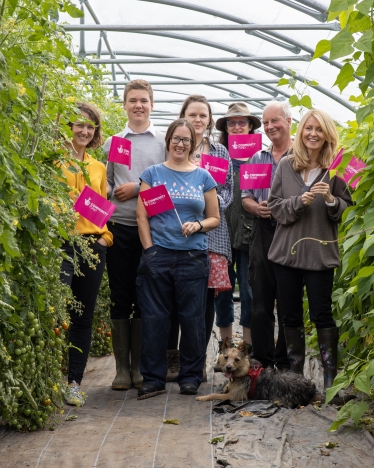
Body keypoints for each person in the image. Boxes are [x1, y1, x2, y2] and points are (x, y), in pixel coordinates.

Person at [267, 109, 352, 389]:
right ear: (300, 132)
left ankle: (330, 382)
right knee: (289, 315)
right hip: (286, 254)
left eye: (319, 129)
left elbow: (343, 210)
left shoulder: (336, 170)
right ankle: (296, 380)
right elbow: (275, 208)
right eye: (308, 128)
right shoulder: (286, 166)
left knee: (321, 314)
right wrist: (298, 202)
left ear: (327, 135)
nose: (313, 134)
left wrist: (329, 199)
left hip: (319, 254)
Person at [136, 118, 220, 397]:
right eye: (176, 138)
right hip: (159, 254)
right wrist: (149, 251)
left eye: (186, 140)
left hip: (193, 257)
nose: (180, 144)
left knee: (192, 319)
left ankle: (191, 376)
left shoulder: (203, 177)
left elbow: (214, 218)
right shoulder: (153, 174)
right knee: (155, 319)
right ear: (168, 140)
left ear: (192, 144)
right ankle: (153, 378)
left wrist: (197, 225)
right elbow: (142, 216)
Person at [165, 95, 233, 381]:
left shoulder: (219, 152)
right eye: (192, 115)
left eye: (203, 116)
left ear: (209, 120)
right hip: (178, 235)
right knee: (174, 300)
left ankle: (198, 363)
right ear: (184, 116)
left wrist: (204, 199)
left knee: (204, 302)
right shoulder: (175, 148)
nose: (197, 120)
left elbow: (228, 192)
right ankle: (173, 361)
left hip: (213, 235)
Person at [103, 80, 165, 391]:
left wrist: (139, 188)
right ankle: (121, 370)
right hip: (118, 229)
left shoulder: (163, 142)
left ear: (152, 105)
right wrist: (98, 229)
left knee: (146, 299)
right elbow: (104, 187)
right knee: (120, 296)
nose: (138, 105)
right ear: (125, 105)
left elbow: (169, 188)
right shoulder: (114, 142)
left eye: (143, 100)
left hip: (152, 231)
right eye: (132, 101)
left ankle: (140, 366)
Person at [60, 102, 113, 406]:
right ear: (68, 127)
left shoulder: (98, 167)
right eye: (78, 124)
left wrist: (105, 237)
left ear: (95, 132)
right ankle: (51, 375)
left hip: (92, 246)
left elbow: (100, 208)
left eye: (90, 126)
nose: (83, 130)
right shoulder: (52, 162)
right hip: (62, 244)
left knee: (83, 316)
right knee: (57, 311)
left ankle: (74, 382)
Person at [241, 101, 293, 370]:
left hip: (291, 231)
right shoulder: (257, 158)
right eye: (266, 123)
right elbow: (246, 198)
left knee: (288, 298)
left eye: (275, 121)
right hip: (262, 230)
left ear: (289, 121)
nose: (270, 126)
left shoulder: (301, 156)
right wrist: (256, 208)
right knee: (260, 297)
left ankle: (284, 362)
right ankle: (262, 361)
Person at [214, 102, 261, 348]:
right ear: (226, 128)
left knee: (249, 289)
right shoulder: (218, 155)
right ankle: (226, 344)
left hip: (250, 233)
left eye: (242, 122)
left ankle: (247, 345)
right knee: (222, 289)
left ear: (251, 126)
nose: (237, 126)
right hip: (221, 232)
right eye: (232, 123)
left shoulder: (259, 158)